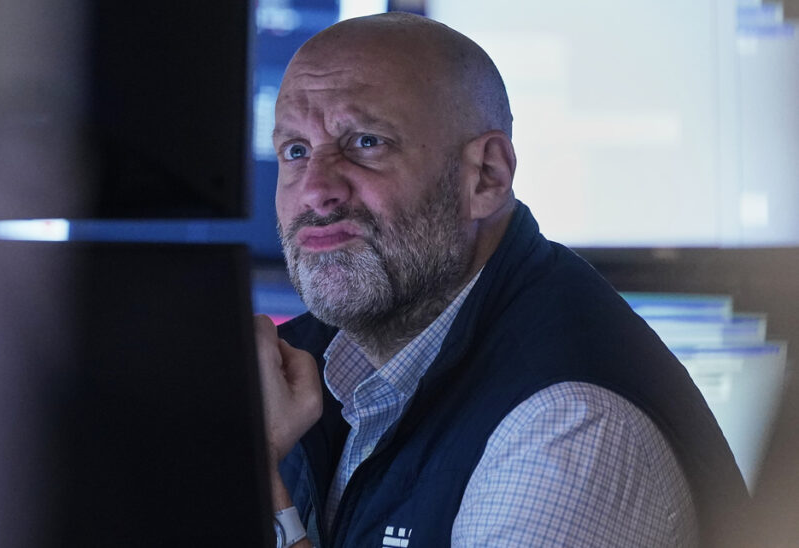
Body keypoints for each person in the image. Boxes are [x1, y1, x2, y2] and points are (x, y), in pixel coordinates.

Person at [254, 12, 748, 548]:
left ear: (486, 176)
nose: (316, 190)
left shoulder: (568, 429)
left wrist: (254, 481)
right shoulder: (319, 353)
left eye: (367, 143)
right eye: (296, 152)